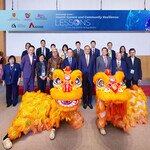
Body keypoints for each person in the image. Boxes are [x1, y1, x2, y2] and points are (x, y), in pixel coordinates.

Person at [79, 45, 95, 109]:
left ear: (89, 50)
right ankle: (85, 103)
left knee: (90, 90)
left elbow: (94, 67)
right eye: (86, 49)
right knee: (84, 90)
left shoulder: (93, 57)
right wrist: (80, 76)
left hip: (90, 76)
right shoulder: (81, 57)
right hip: (83, 76)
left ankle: (89, 103)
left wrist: (94, 75)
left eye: (88, 49)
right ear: (84, 50)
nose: (87, 50)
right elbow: (79, 67)